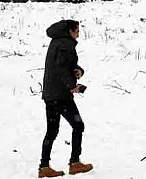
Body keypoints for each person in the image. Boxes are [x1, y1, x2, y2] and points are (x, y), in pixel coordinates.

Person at [39, 20, 91, 177]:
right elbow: (60, 68)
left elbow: (67, 65)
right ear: (70, 31)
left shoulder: (57, 41)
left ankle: (44, 167)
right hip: (60, 95)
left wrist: (78, 71)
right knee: (78, 125)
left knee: (52, 130)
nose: (79, 34)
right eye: (77, 30)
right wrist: (71, 86)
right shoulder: (66, 44)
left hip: (50, 93)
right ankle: (75, 163)